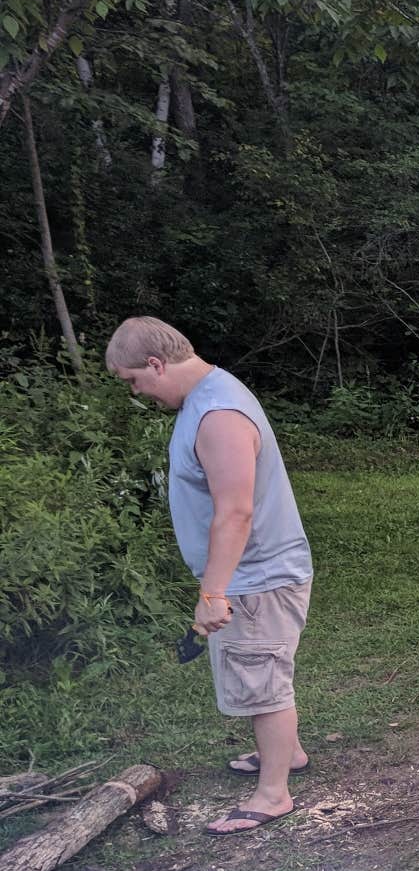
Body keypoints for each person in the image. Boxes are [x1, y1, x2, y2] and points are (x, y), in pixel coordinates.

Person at [105, 317, 314, 834]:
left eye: (134, 380)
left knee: (263, 680)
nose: (136, 392)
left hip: (257, 576)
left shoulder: (218, 413)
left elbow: (236, 511)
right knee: (259, 669)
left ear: (156, 364)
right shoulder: (207, 396)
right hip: (252, 573)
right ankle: (286, 755)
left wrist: (213, 591)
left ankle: (272, 795)